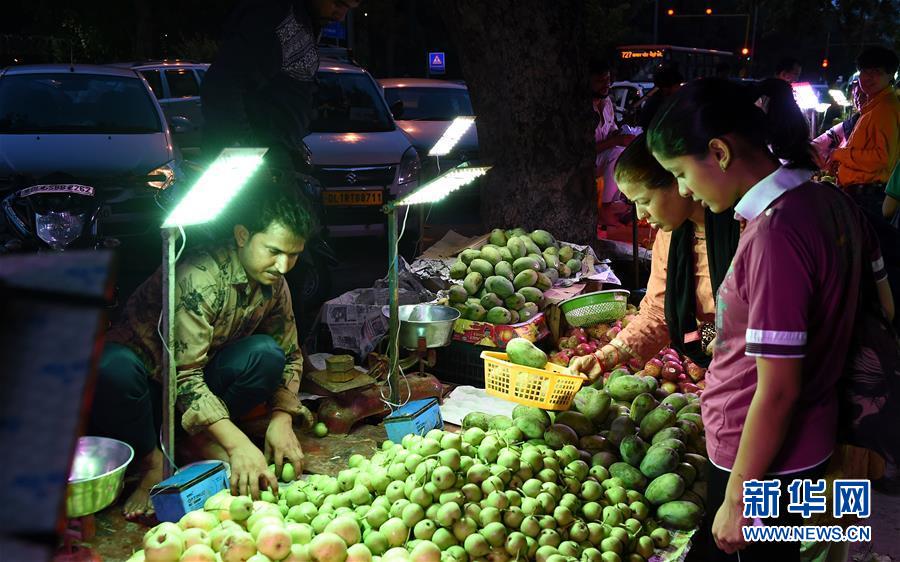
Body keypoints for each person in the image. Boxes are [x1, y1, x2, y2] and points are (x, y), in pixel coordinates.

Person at [647, 77, 893, 561]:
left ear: (718, 152)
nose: (683, 190)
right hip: (808, 443)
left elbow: (778, 388)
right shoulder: (829, 200)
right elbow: (883, 306)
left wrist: (739, 499)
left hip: (762, 461)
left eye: (679, 173)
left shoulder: (774, 234)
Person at [91, 177, 317, 519]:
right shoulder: (200, 277)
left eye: (294, 255)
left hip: (196, 389)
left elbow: (290, 356)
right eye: (274, 252)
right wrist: (239, 443)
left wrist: (282, 418)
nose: (283, 266)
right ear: (243, 236)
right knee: (113, 366)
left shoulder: (275, 284)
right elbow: (182, 376)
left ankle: (193, 442)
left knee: (266, 355)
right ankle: (154, 461)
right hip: (146, 393)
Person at [596, 135, 740, 371]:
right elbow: (658, 310)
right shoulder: (671, 236)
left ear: (678, 182)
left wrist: (736, 339)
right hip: (719, 364)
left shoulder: (747, 228)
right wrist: (605, 357)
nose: (640, 214)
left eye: (644, 201)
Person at [201, 0, 359, 170]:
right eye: (337, 3)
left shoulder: (303, 21)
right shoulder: (275, 16)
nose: (341, 16)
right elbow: (223, 84)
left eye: (348, 8)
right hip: (256, 166)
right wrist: (246, 156)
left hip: (274, 161)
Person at [831, 46, 900, 213]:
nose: (868, 78)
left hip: (868, 197)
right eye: (864, 71)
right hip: (863, 194)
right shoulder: (873, 107)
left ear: (890, 75)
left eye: (876, 72)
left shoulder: (885, 108)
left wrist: (838, 154)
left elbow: (880, 158)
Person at [591, 60, 635, 212]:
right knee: (617, 151)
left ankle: (622, 198)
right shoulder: (583, 108)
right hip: (590, 160)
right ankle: (605, 206)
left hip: (604, 155)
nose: (606, 85)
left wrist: (624, 135)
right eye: (599, 81)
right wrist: (616, 141)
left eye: (607, 80)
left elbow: (612, 131)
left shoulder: (607, 102)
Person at [637, 63, 684, 130]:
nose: (679, 88)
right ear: (666, 88)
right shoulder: (658, 105)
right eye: (677, 86)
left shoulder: (657, 101)